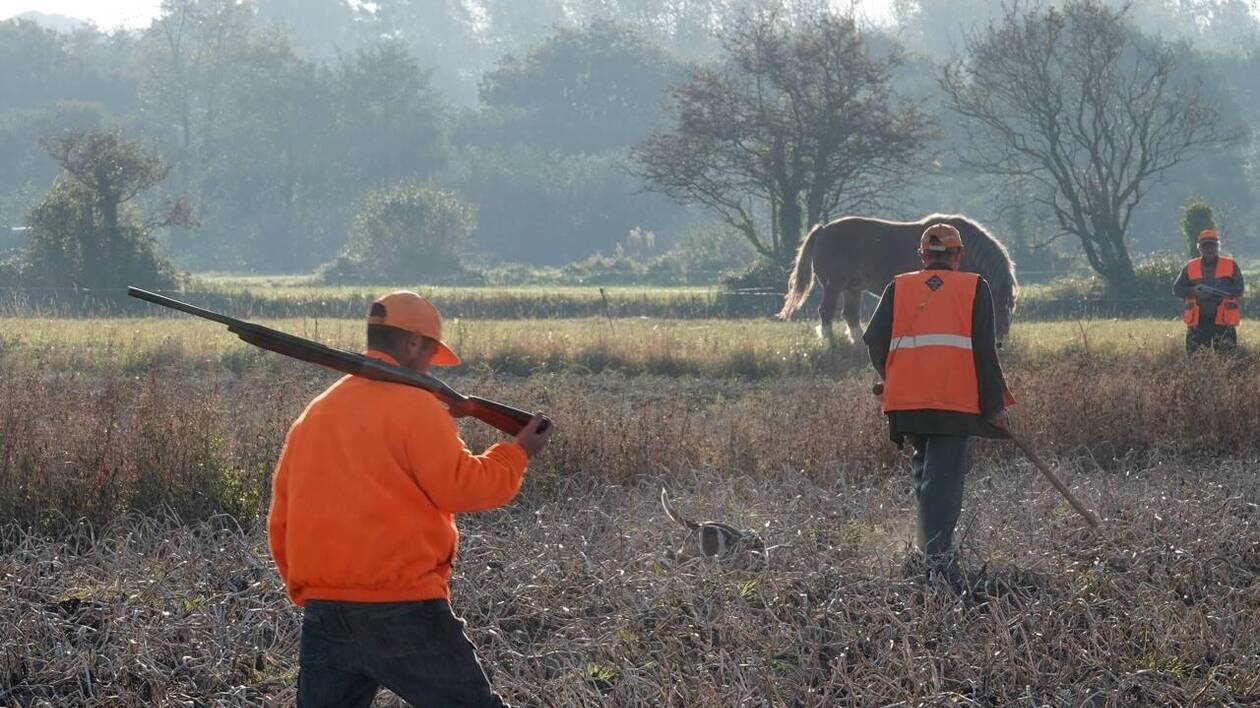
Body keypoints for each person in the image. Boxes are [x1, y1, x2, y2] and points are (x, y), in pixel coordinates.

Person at [267, 290, 552, 707]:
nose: (429, 367)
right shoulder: (415, 407)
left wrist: (315, 591)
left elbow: (281, 521)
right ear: (414, 343)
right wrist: (517, 452)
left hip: (326, 609)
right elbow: (464, 487)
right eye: (430, 354)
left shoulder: (315, 413)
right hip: (403, 609)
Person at [862, 223, 1013, 577]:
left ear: (922, 256)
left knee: (925, 474)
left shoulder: (898, 287)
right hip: (952, 404)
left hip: (908, 404)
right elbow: (985, 354)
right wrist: (993, 408)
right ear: (958, 256)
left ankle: (924, 553)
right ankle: (936, 563)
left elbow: (873, 341)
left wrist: (892, 378)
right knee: (942, 484)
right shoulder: (975, 288)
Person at [1173, 229, 1244, 354]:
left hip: (1224, 323)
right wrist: (1194, 291)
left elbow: (1239, 289)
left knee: (1226, 361)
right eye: (1205, 245)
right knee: (1196, 362)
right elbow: (1177, 289)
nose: (1209, 248)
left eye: (1212, 245)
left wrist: (1217, 292)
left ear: (1218, 246)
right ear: (1199, 248)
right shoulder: (1190, 266)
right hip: (1198, 324)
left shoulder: (1230, 265)